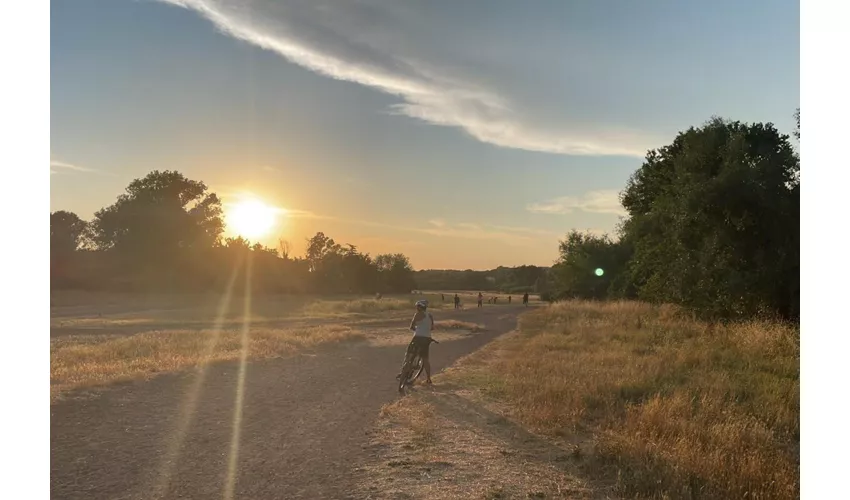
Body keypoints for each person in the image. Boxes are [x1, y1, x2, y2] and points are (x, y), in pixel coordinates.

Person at [397, 299, 434, 385]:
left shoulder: (418, 314)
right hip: (427, 338)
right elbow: (432, 328)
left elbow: (411, 326)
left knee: (408, 354)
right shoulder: (430, 315)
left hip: (417, 337)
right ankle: (428, 378)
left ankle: (403, 371)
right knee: (425, 359)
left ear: (419, 307)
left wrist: (417, 329)